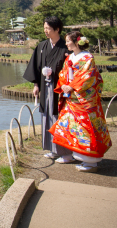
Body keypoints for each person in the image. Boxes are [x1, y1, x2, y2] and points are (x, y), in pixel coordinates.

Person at [49, 31, 112, 172]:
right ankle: (77, 157)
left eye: (68, 41)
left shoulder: (87, 58)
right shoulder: (70, 57)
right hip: (71, 99)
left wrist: (71, 86)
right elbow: (63, 74)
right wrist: (64, 85)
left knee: (86, 129)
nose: (66, 44)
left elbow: (88, 76)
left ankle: (91, 162)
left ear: (77, 42)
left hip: (84, 100)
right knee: (72, 129)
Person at [22, 16, 72, 160]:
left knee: (60, 117)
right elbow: (36, 67)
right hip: (45, 87)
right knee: (46, 117)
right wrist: (36, 85)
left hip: (61, 90)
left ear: (57, 29)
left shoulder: (65, 47)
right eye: (44, 28)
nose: (45, 31)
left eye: (48, 28)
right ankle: (52, 149)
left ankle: (66, 152)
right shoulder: (42, 46)